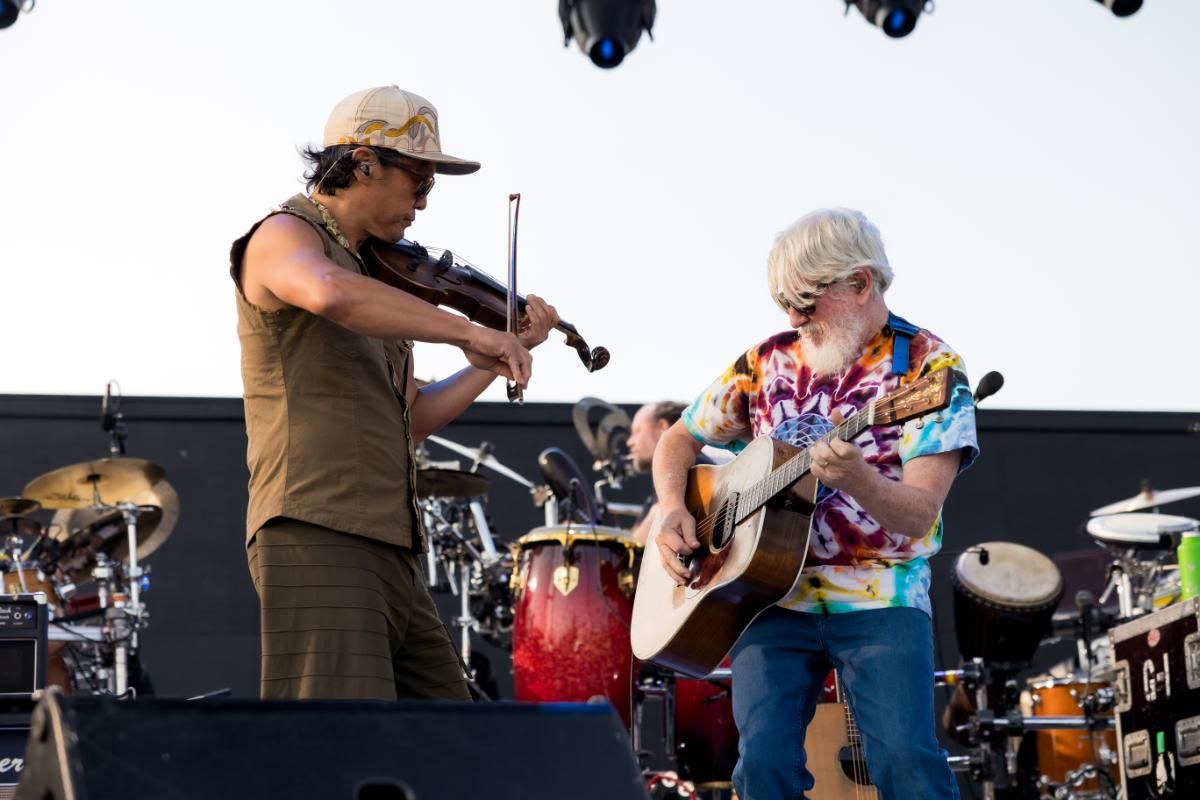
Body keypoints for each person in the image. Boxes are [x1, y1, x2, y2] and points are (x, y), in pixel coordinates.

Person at [229, 85, 560, 701]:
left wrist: (497, 356)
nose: (424, 203)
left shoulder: (375, 274)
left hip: (394, 545)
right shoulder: (284, 233)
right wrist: (468, 330)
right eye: (419, 181)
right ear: (363, 163)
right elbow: (327, 291)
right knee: (342, 740)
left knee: (451, 739)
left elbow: (412, 416)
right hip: (319, 528)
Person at [650, 208, 978, 799]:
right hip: (766, 596)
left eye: (805, 301)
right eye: (784, 303)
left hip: (882, 593)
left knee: (905, 762)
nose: (794, 319)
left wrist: (859, 480)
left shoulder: (930, 369)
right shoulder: (766, 361)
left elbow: (920, 514)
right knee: (763, 767)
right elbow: (678, 440)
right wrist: (674, 505)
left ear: (860, 283)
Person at [626, 400, 686, 543]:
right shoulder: (669, 474)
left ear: (662, 427)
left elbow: (639, 541)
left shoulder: (683, 465)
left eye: (637, 431)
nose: (629, 442)